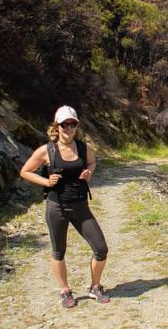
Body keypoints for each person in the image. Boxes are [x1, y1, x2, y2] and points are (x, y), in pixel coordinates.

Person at [20, 105, 110, 308]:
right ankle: (65, 291)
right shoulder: (46, 150)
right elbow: (25, 171)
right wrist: (46, 182)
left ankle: (95, 287)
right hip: (56, 207)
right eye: (64, 124)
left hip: (80, 207)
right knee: (58, 251)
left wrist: (89, 173)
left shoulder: (83, 148)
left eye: (72, 124)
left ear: (77, 126)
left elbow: (92, 163)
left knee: (101, 248)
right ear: (57, 126)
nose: (68, 128)